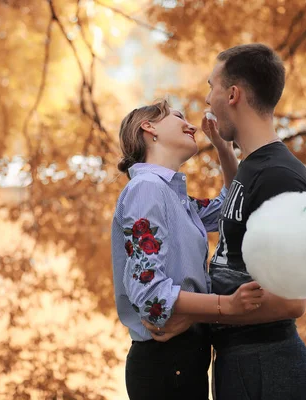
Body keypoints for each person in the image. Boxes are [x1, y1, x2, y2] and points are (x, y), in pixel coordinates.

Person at [144, 44, 306, 400]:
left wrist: (198, 315)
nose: (208, 100)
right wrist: (225, 152)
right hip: (238, 361)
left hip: (267, 366)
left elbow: (292, 302)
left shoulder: (282, 176)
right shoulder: (252, 168)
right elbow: (237, 213)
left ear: (233, 94)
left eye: (212, 87)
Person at [111, 100, 265, 400]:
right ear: (149, 127)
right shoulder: (147, 189)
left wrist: (222, 147)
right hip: (165, 363)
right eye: (179, 117)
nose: (192, 125)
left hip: (183, 357)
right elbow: (149, 294)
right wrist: (225, 305)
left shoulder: (173, 197)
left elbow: (230, 208)